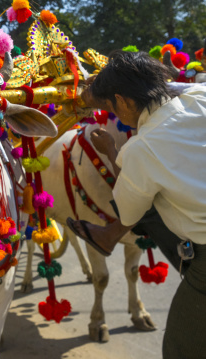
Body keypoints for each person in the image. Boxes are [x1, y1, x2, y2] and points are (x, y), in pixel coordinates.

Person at [66, 50, 206, 358]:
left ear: (125, 101)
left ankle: (107, 236)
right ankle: (108, 236)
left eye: (112, 107)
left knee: (180, 349)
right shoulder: (200, 95)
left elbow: (130, 211)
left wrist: (114, 151)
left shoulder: (140, 149)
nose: (114, 115)